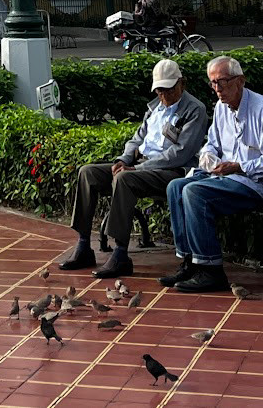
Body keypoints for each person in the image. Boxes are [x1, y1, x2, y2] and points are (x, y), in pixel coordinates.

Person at [58, 59, 207, 279]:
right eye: (159, 91)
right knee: (87, 172)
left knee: (124, 180)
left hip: (171, 170)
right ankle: (83, 245)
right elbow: (137, 139)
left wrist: (138, 169)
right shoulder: (154, 107)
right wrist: (124, 159)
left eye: (168, 90)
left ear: (181, 84)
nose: (163, 96)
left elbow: (180, 153)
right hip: (140, 166)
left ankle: (120, 253)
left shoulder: (194, 109)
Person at [162, 54, 263, 293]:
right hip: (229, 179)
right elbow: (213, 143)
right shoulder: (221, 108)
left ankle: (211, 270)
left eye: (223, 81)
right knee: (176, 187)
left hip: (259, 185)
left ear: (240, 81)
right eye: (213, 83)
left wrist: (238, 166)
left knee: (194, 192)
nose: (217, 88)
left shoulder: (262, 109)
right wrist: (208, 157)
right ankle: (189, 262)